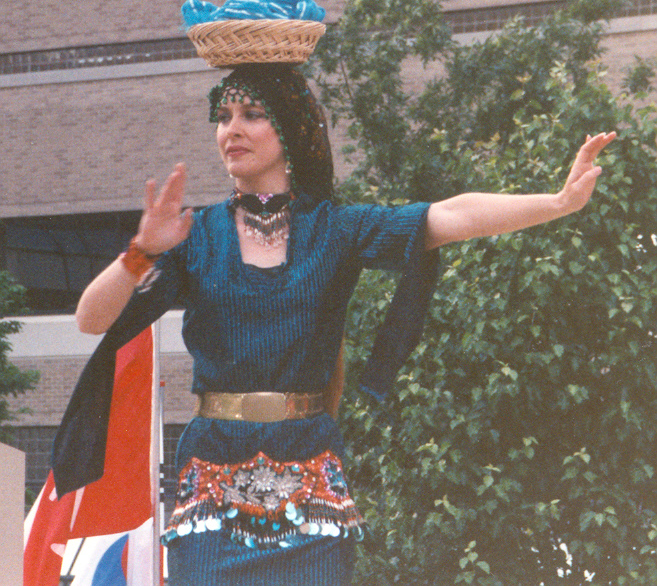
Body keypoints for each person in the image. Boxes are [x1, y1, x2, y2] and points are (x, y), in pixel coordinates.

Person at [73, 62, 615, 585]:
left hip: (311, 470)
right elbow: (91, 319)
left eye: (252, 115)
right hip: (212, 472)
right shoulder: (195, 236)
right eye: (224, 117)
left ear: (289, 130)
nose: (231, 130)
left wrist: (559, 202)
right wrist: (141, 250)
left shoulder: (336, 229)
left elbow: (450, 216)